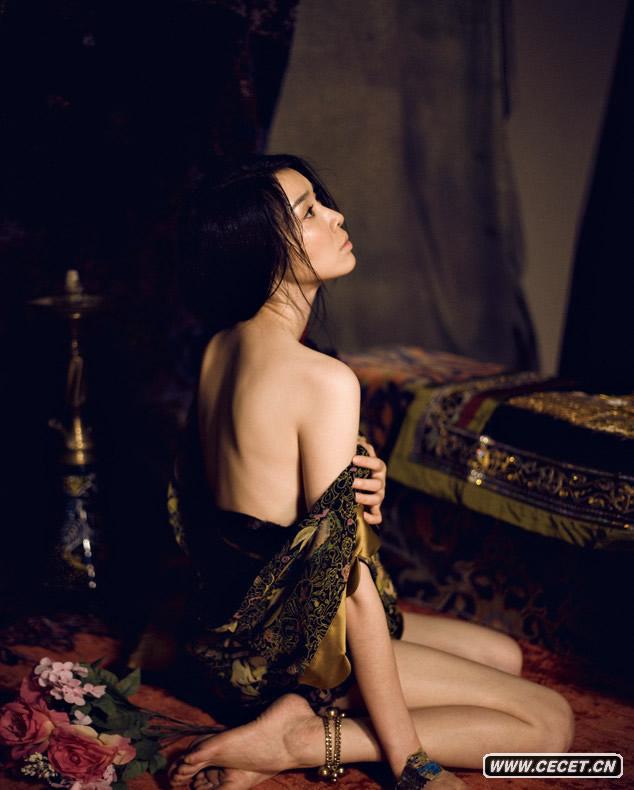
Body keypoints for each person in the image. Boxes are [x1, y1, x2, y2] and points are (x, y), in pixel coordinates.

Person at [167, 155, 574, 789]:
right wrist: (411, 762)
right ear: (263, 249)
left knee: (504, 656)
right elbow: (350, 586)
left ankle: (299, 717)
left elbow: (231, 500)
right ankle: (301, 739)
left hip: (229, 628)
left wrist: (349, 492)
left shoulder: (222, 346)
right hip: (289, 649)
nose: (336, 216)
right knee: (550, 727)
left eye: (320, 202)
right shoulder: (325, 380)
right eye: (308, 212)